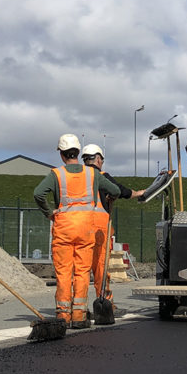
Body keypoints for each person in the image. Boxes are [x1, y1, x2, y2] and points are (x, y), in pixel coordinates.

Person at [34, 134, 120, 329]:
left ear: (62, 155)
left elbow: (38, 193)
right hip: (86, 229)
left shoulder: (56, 174)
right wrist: (110, 198)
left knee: (64, 272)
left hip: (63, 227)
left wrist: (49, 213)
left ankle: (63, 315)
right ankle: (79, 315)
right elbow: (114, 190)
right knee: (82, 271)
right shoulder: (92, 174)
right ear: (78, 152)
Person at [80, 143, 145, 306]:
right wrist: (137, 193)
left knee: (80, 269)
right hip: (99, 229)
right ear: (97, 159)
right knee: (100, 267)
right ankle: (106, 303)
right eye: (101, 159)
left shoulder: (78, 176)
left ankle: (78, 307)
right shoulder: (101, 176)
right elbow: (119, 190)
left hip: (78, 227)